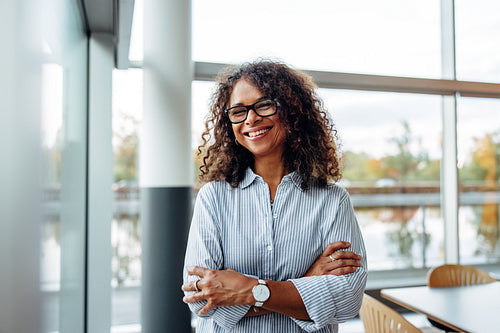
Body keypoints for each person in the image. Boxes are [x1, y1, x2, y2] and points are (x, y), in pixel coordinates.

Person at [182, 60, 367, 332]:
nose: (251, 118)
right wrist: (307, 284)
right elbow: (200, 302)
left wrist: (247, 290)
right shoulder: (213, 198)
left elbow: (348, 299)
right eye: (238, 111)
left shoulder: (332, 200)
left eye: (264, 105)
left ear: (292, 112)